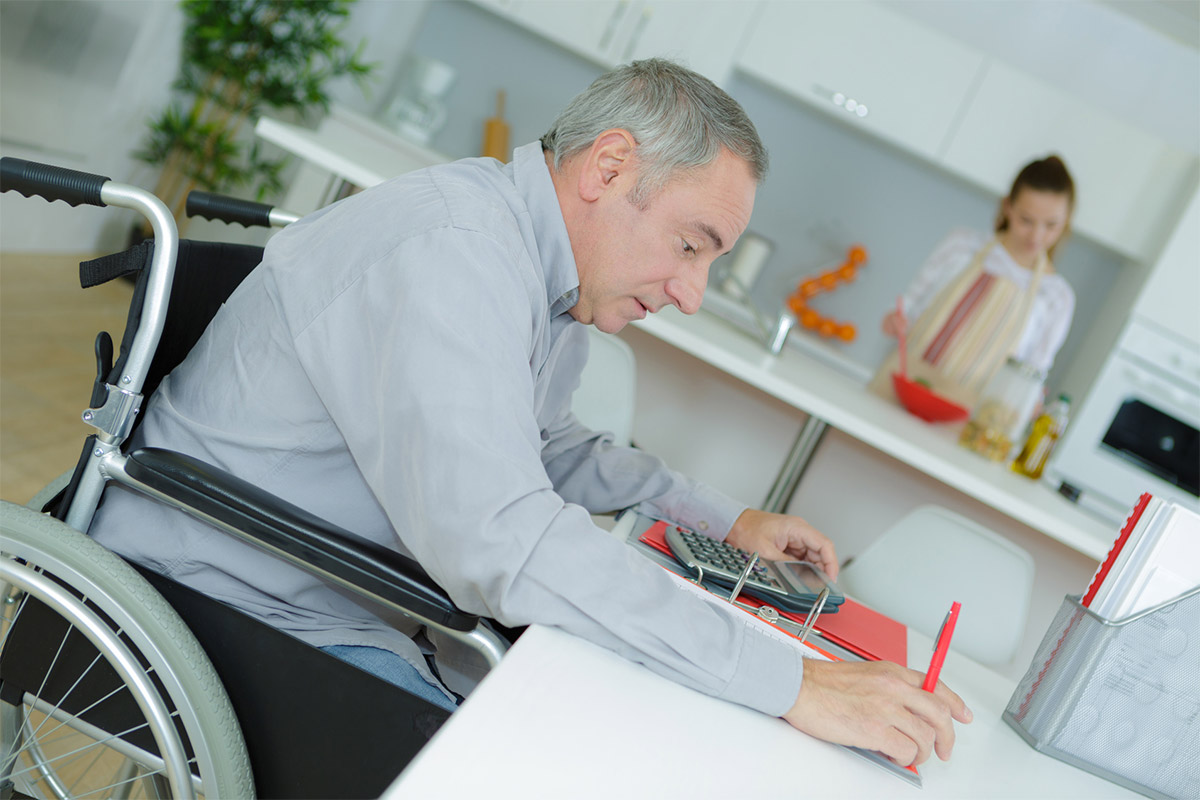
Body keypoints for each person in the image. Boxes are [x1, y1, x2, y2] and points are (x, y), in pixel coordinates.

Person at [91, 58, 970, 767]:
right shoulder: (457, 255)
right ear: (610, 167)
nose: (694, 292)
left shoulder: (541, 272)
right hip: (217, 592)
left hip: (330, 591)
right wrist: (795, 684)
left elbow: (541, 447)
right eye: (691, 245)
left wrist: (724, 519)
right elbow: (502, 544)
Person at [871, 156, 1076, 407]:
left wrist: (1030, 399)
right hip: (900, 392)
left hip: (969, 419)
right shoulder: (961, 245)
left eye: (1051, 225)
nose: (1037, 235)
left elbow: (1032, 373)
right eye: (1026, 220)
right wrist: (894, 319)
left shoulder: (1056, 297)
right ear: (1007, 206)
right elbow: (907, 307)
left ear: (1066, 222)